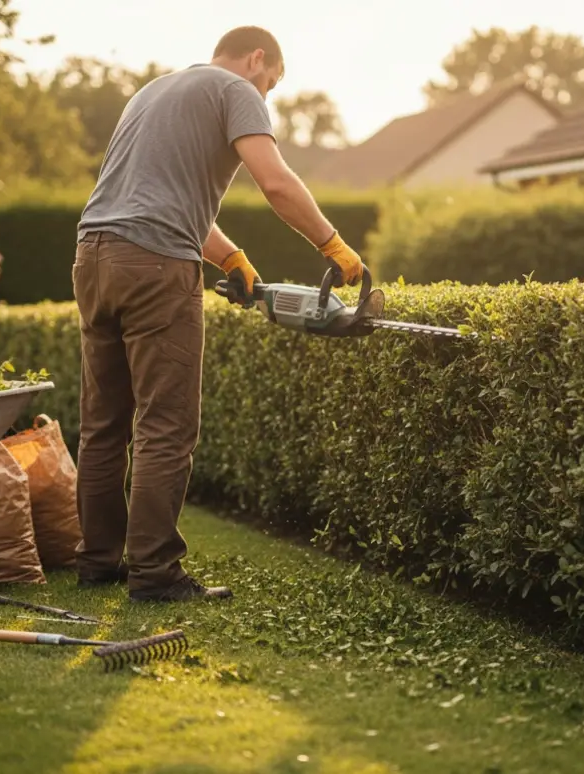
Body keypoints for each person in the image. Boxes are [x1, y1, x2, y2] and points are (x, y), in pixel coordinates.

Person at [71, 25, 365, 602]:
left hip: (93, 256)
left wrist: (229, 256)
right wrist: (333, 244)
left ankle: (97, 562)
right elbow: (276, 183)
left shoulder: (153, 92)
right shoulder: (237, 91)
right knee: (165, 424)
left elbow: (156, 194)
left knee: (103, 427)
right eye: (272, 84)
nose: (267, 98)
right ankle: (155, 573)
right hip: (155, 265)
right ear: (257, 59)